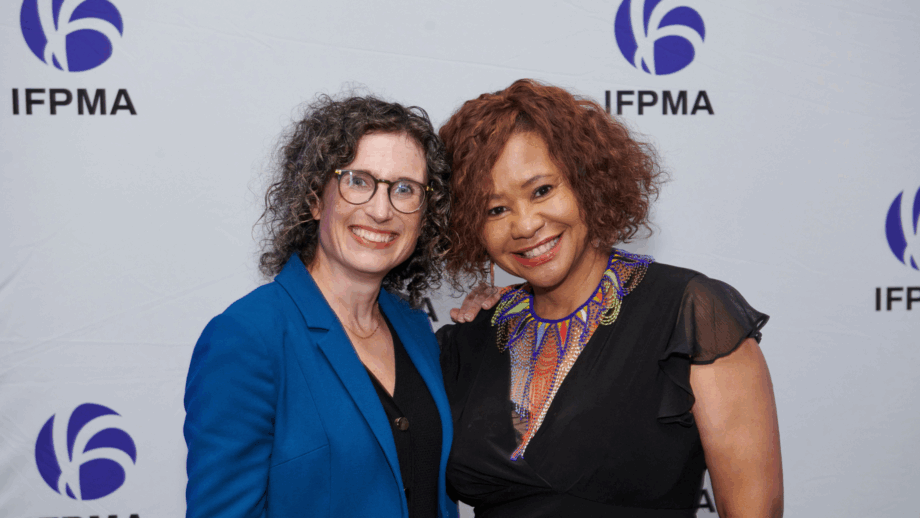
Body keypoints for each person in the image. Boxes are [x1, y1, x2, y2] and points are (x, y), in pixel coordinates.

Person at [437, 79, 783, 517]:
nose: (524, 225)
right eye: (495, 209)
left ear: (588, 181)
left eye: (542, 191)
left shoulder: (690, 315)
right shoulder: (470, 338)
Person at [184, 94, 458, 518]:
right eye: (358, 182)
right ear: (315, 198)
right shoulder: (249, 336)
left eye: (405, 189)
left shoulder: (415, 327)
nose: (381, 210)